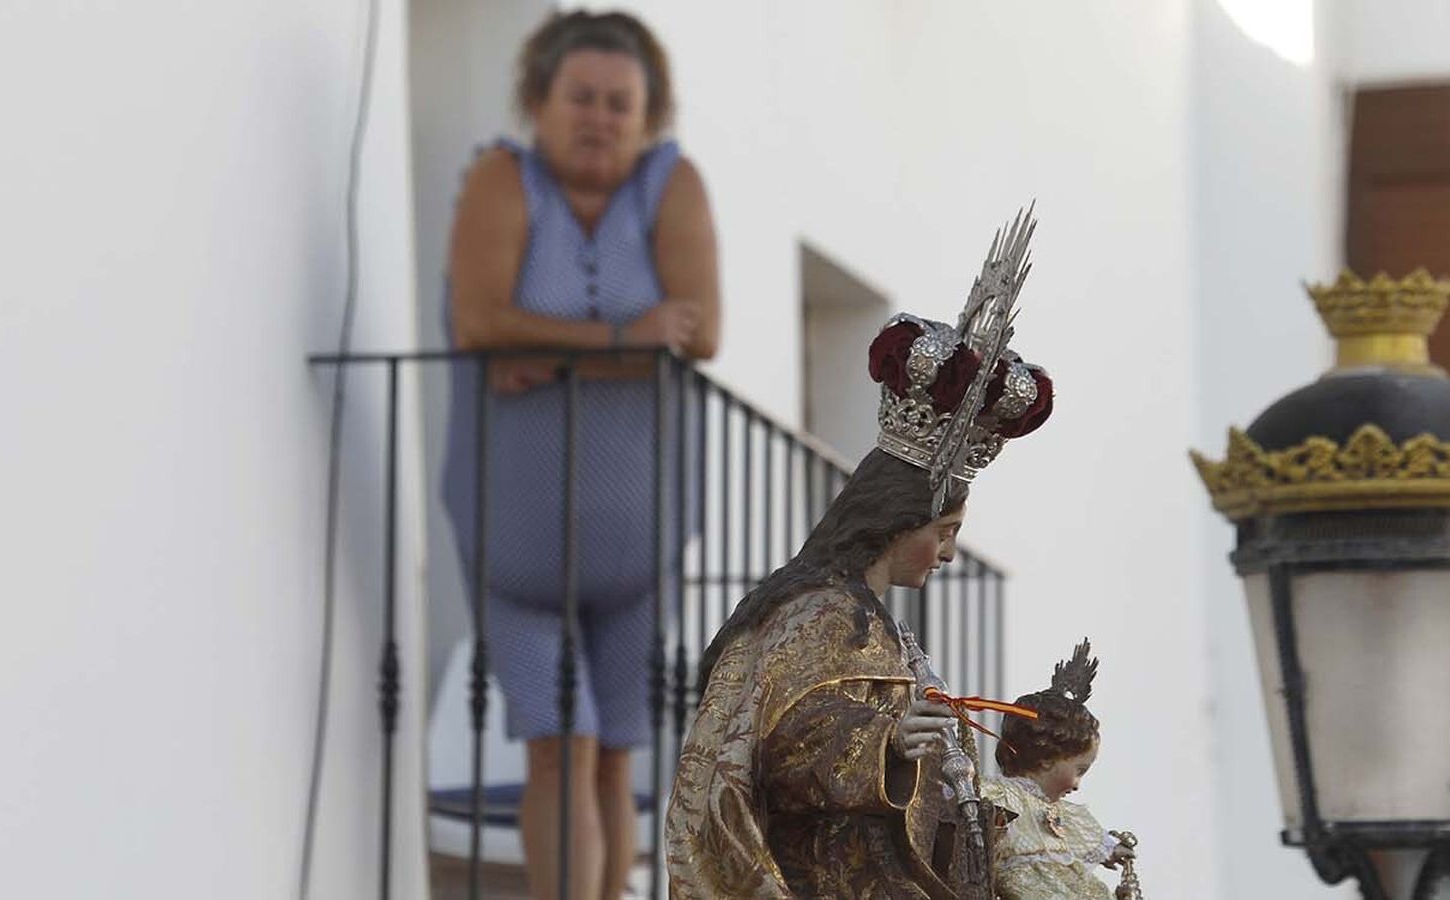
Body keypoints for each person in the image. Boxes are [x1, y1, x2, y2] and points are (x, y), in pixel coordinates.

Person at [665, 218, 1056, 899]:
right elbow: (775, 747)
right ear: (902, 520)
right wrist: (887, 741)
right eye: (945, 529)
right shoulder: (816, 614)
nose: (949, 553)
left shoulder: (878, 627)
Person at [439, 10, 719, 900]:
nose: (599, 117)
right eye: (581, 98)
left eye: (619, 103)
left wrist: (550, 351)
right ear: (539, 101)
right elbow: (478, 319)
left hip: (639, 544)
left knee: (613, 755)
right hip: (512, 540)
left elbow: (699, 330)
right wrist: (622, 340)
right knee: (556, 743)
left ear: (648, 116)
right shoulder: (501, 178)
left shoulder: (671, 188)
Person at [983, 640, 1136, 899]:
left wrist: (1109, 847)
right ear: (1046, 760)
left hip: (1065, 883)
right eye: (1079, 770)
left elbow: (1078, 834)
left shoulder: (1057, 813)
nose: (1077, 785)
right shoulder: (1005, 796)